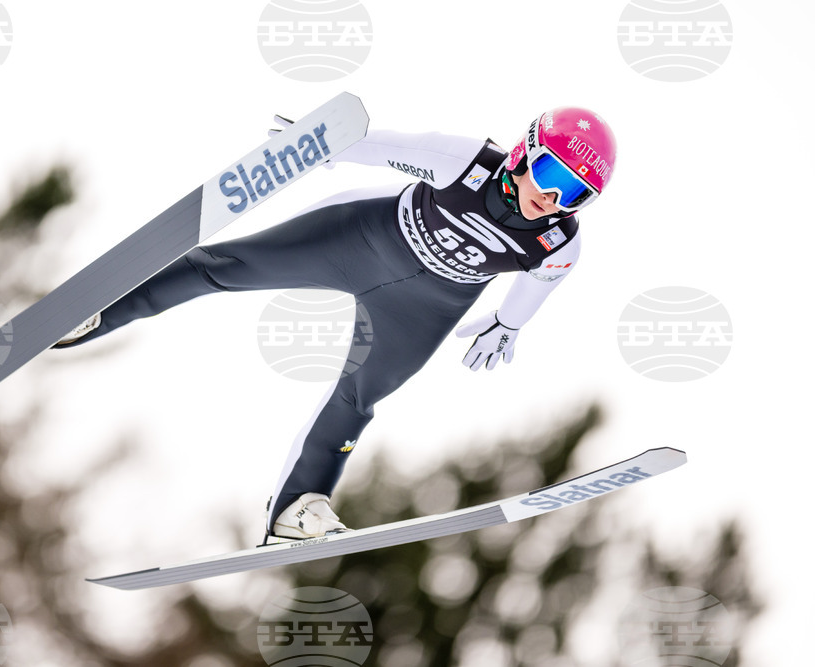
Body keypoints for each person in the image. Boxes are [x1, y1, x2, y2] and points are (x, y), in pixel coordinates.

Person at [54, 106, 618, 544]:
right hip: (358, 240)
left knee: (360, 397)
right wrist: (320, 144)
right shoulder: (467, 162)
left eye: (576, 193)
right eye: (551, 174)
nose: (552, 197)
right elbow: (390, 148)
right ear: (525, 151)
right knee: (224, 268)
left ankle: (297, 508)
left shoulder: (559, 244)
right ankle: (101, 308)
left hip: (425, 306)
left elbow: (537, 287)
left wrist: (507, 324)